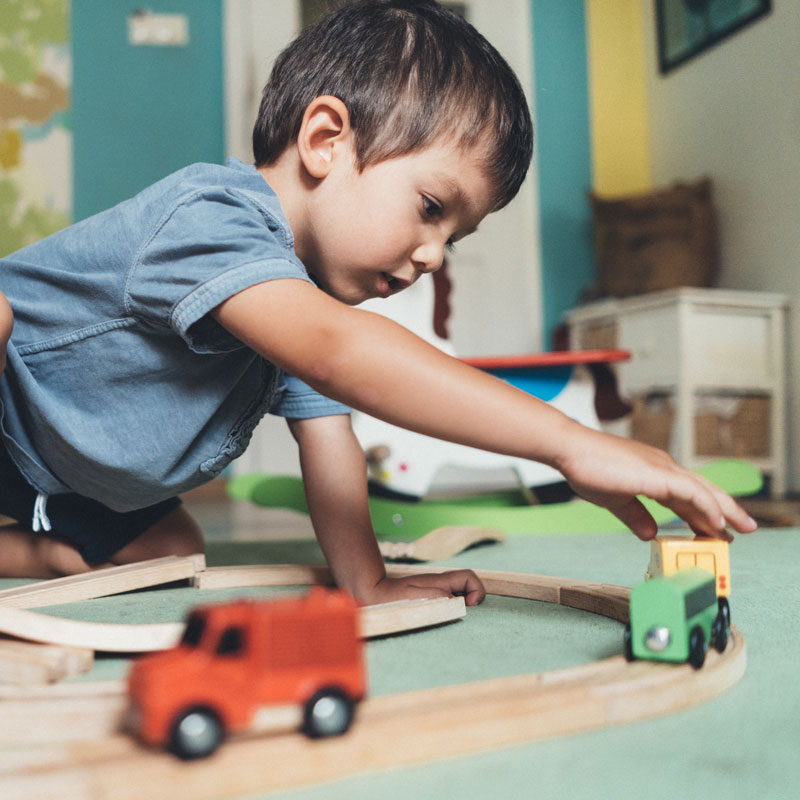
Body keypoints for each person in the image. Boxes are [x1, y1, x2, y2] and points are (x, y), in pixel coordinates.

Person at [0, 0, 755, 601]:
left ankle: (31, 546)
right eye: (432, 207)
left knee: (172, 555)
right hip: (11, 419)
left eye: (454, 239)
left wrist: (367, 583)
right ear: (326, 139)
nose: (433, 255)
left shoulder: (291, 304)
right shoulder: (213, 218)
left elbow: (332, 450)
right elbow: (343, 357)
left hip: (56, 481)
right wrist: (572, 442)